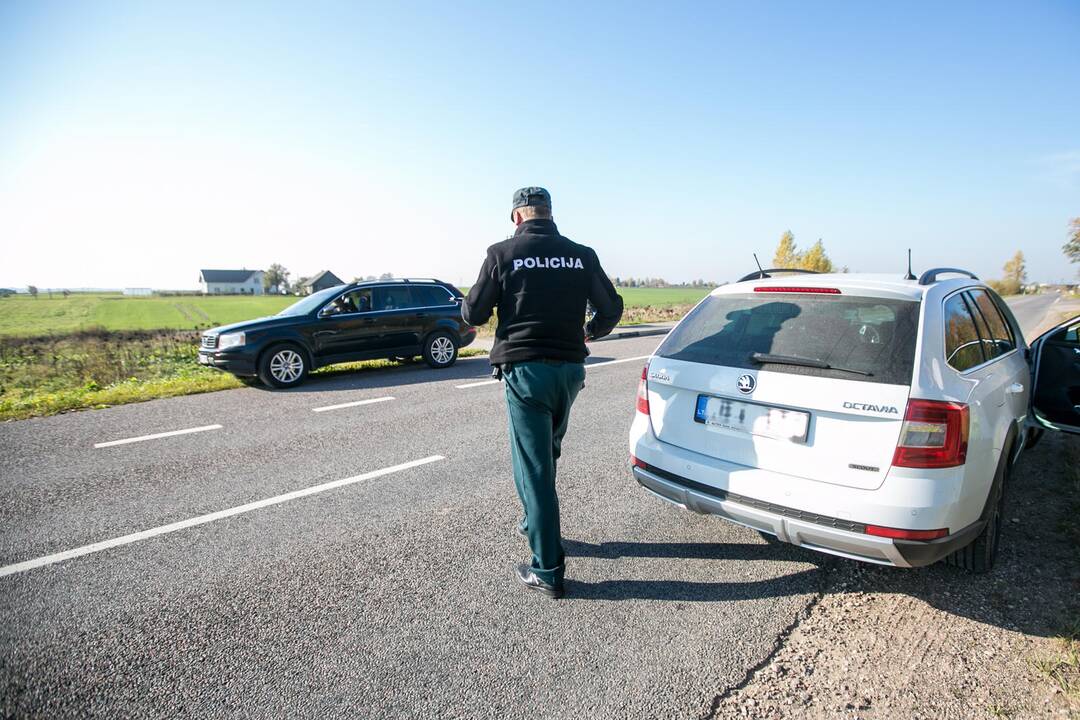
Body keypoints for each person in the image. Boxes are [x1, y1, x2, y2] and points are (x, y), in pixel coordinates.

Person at [462, 187, 623, 599]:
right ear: (549, 214)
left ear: (516, 217)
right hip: (570, 370)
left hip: (526, 371)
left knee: (534, 469)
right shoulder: (580, 253)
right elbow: (611, 308)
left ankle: (547, 568)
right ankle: (535, 522)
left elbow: (475, 312)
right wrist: (589, 332)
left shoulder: (502, 254)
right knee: (545, 454)